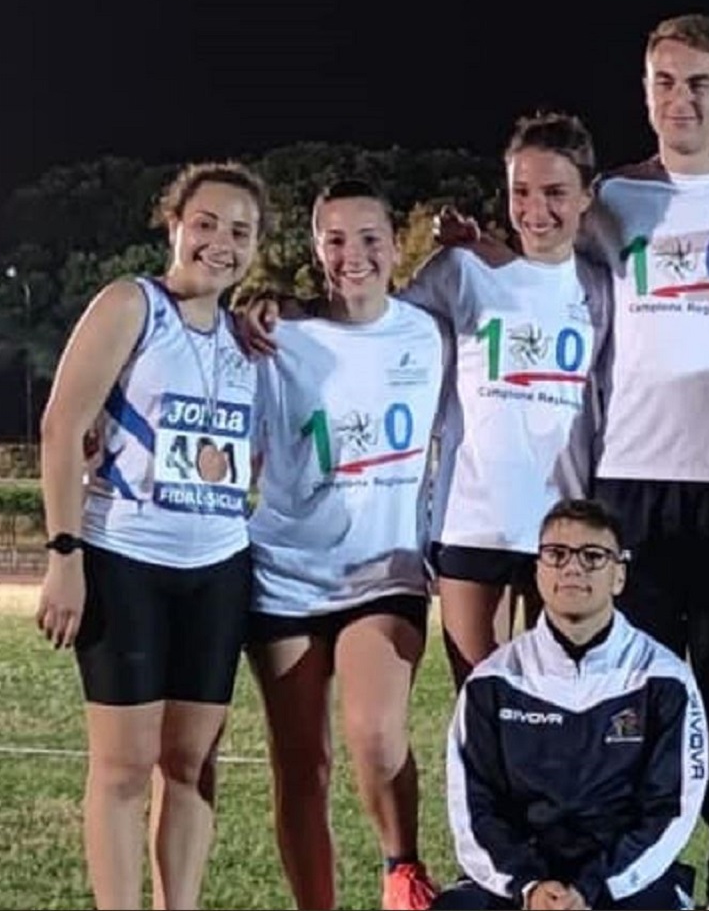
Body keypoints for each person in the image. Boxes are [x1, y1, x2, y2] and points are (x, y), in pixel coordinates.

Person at [433, 14, 709, 907]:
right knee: (613, 693)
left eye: (699, 83)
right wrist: (476, 245)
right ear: (645, 91)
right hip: (629, 482)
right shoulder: (616, 199)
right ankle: (602, 865)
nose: (681, 99)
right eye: (664, 81)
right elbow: (539, 257)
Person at [239, 112, 611, 695]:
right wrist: (279, 305)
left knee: (563, 699)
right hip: (472, 523)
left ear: (587, 196)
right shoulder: (462, 269)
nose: (535, 209)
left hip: (563, 522)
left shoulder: (602, 286)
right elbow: (369, 319)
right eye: (521, 192)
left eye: (555, 193)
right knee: (482, 703)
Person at [35, 160, 266, 909]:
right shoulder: (132, 304)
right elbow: (62, 426)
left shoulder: (247, 338)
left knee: (191, 763)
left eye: (241, 231)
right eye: (206, 224)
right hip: (124, 557)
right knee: (124, 767)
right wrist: (64, 555)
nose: (221, 243)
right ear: (173, 225)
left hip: (219, 567)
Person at [244, 179, 447, 910]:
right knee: (302, 767)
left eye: (369, 239)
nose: (352, 254)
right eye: (335, 239)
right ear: (315, 248)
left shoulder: (429, 335)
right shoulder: (275, 339)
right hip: (284, 576)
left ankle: (403, 870)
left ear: (395, 246)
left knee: (374, 731)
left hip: (384, 573)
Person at [435, 497, 709, 911]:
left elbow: (671, 810)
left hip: (621, 881)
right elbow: (475, 810)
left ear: (619, 575)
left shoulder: (665, 679)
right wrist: (529, 887)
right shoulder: (492, 682)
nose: (572, 568)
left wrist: (591, 887)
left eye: (592, 556)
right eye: (556, 554)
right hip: (523, 882)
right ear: (538, 571)